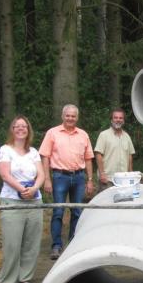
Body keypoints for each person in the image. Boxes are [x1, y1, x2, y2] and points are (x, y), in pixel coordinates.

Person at [0, 116, 45, 283]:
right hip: (13, 201)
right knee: (12, 243)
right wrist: (23, 190)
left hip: (34, 201)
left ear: (28, 130)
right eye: (18, 126)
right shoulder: (5, 150)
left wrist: (34, 188)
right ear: (12, 129)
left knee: (31, 242)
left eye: (24, 126)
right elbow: (5, 175)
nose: (21, 129)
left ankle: (26, 277)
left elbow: (41, 174)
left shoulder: (33, 152)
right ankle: (8, 280)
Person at [39, 104, 95, 260]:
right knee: (58, 211)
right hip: (59, 177)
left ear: (77, 118)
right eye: (68, 115)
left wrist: (90, 180)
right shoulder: (52, 133)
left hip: (78, 177)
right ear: (62, 116)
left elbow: (88, 158)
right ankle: (56, 245)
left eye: (73, 116)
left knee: (77, 211)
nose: (70, 118)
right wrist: (47, 179)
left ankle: (73, 243)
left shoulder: (83, 135)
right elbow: (45, 156)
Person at [94, 108, 136, 188]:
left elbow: (130, 156)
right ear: (111, 120)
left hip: (124, 179)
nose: (118, 120)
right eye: (115, 117)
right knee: (106, 200)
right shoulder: (104, 135)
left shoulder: (127, 136)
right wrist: (102, 174)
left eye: (120, 118)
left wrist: (130, 173)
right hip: (108, 179)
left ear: (123, 120)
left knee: (124, 200)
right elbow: (98, 155)